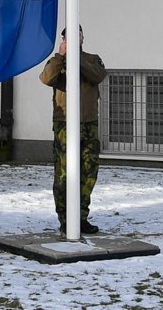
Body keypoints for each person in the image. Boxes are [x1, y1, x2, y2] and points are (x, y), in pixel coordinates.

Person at [38, 27, 105, 234]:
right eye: (69, 36)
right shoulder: (57, 62)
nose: (75, 39)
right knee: (64, 174)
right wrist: (62, 56)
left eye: (78, 34)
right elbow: (46, 78)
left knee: (88, 171)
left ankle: (81, 217)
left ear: (83, 37)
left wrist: (77, 59)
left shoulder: (92, 59)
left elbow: (98, 75)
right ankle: (66, 218)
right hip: (64, 125)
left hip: (88, 124)